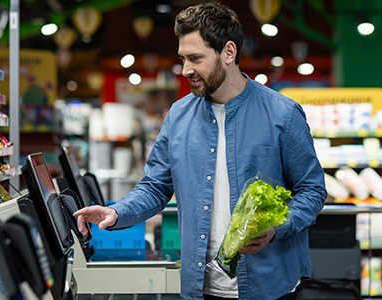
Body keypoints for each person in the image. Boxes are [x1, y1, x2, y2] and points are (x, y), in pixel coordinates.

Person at [73, 3, 326, 299]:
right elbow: (156, 186)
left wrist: (277, 227)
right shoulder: (178, 116)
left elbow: (312, 190)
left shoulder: (283, 114)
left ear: (228, 53)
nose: (185, 70)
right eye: (183, 58)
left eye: (195, 58)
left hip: (268, 286)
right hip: (201, 288)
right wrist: (116, 212)